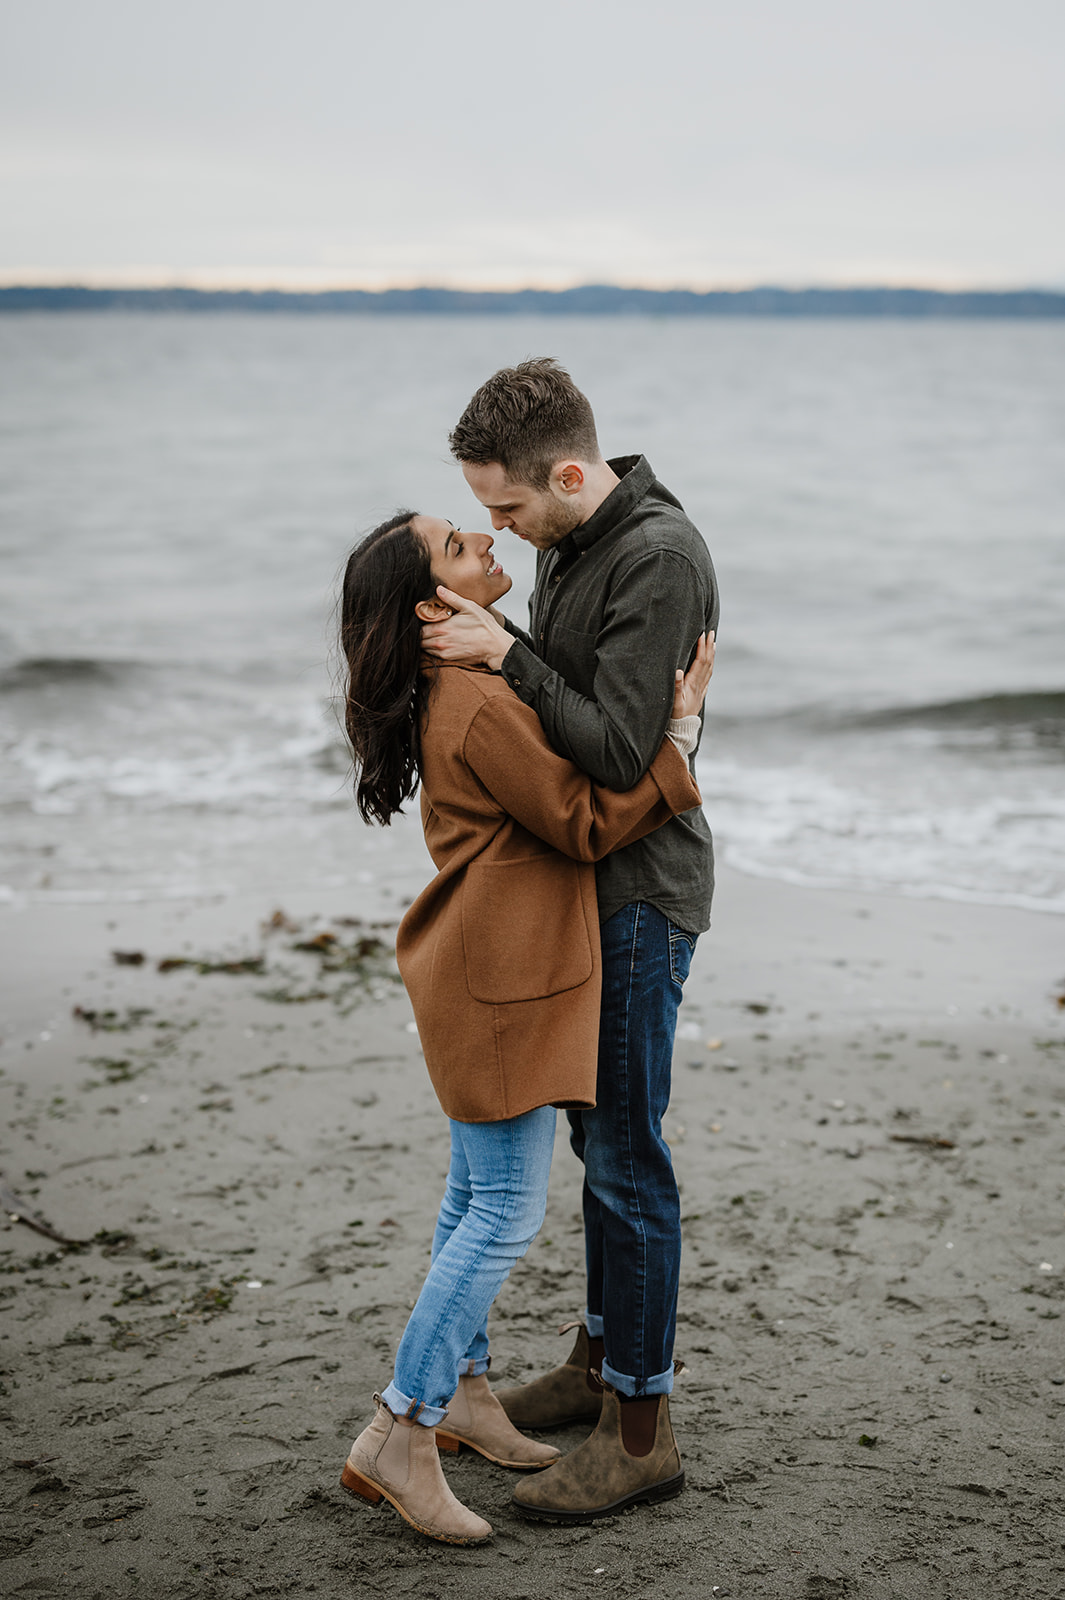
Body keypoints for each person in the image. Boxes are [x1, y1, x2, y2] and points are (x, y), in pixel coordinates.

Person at [337, 508, 713, 1545]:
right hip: (500, 981)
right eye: (463, 545)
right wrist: (677, 743)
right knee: (502, 1210)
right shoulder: (474, 698)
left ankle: (458, 1392)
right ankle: (400, 1427)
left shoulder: (465, 683)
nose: (490, 546)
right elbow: (586, 820)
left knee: (471, 1196)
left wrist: (517, 652)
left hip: (472, 967)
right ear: (430, 604)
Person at [420, 358, 720, 1524]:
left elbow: (606, 748)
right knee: (600, 1141)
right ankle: (599, 1363)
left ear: (570, 470)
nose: (500, 528)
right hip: (588, 882)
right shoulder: (573, 541)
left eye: (507, 507)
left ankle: (640, 1428)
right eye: (484, 513)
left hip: (642, 889)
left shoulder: (656, 556)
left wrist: (503, 651)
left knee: (628, 1155)